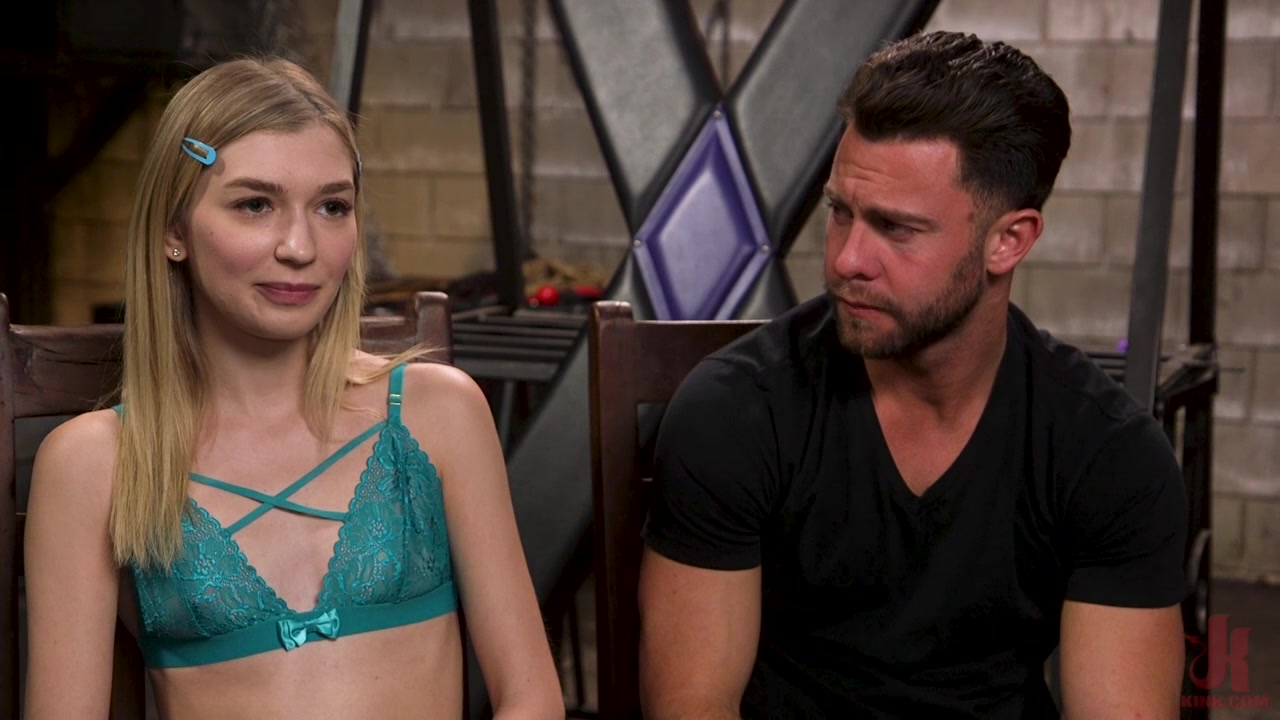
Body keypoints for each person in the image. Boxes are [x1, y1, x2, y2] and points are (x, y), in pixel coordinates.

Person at [639, 31, 1188, 719]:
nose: (847, 260)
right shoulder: (736, 412)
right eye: (841, 213)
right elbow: (692, 709)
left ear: (1008, 240)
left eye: (896, 229)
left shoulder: (1107, 453)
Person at [24, 57, 564, 719]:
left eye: (332, 207)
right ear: (173, 231)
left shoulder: (438, 412)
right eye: (256, 204)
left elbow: (532, 699)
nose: (300, 247)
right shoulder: (94, 463)